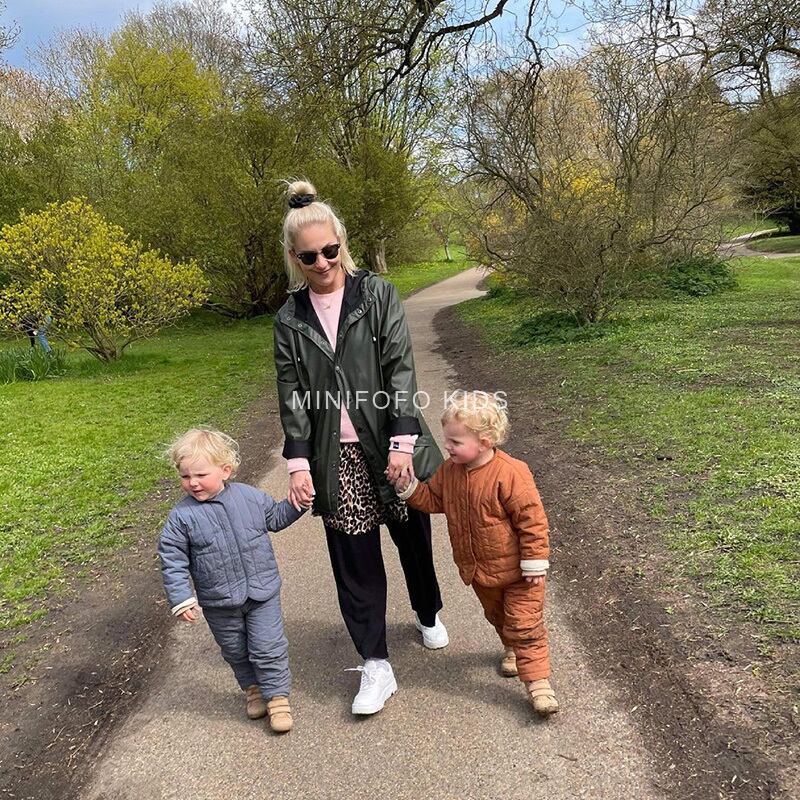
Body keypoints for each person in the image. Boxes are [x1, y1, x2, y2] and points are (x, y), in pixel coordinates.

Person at [273, 179, 448, 717]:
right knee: (354, 560)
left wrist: (403, 441)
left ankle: (427, 609)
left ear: (341, 243)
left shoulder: (377, 295)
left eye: (330, 250)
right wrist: (298, 463)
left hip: (391, 443)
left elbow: (399, 368)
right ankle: (375, 663)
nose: (322, 263)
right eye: (309, 256)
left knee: (413, 538)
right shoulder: (289, 319)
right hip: (336, 456)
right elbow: (292, 393)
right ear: (295, 258)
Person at [391, 391, 560, 717]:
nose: (448, 447)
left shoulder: (511, 473)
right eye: (447, 440)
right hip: (480, 571)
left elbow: (532, 520)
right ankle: (511, 647)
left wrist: (534, 561)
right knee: (499, 617)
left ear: (484, 442)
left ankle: (538, 684)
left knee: (525, 624)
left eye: (455, 442)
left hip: (520, 572)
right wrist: (408, 488)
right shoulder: (450, 472)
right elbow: (433, 500)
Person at [158, 428, 306, 734]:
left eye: (201, 475)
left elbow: (275, 518)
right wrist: (181, 598)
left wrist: (297, 504)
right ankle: (253, 689)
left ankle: (278, 699)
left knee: (268, 647)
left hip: (262, 592)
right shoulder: (181, 517)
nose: (193, 483)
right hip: (219, 602)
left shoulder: (249, 498)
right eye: (185, 476)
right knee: (235, 650)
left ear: (225, 470)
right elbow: (172, 559)